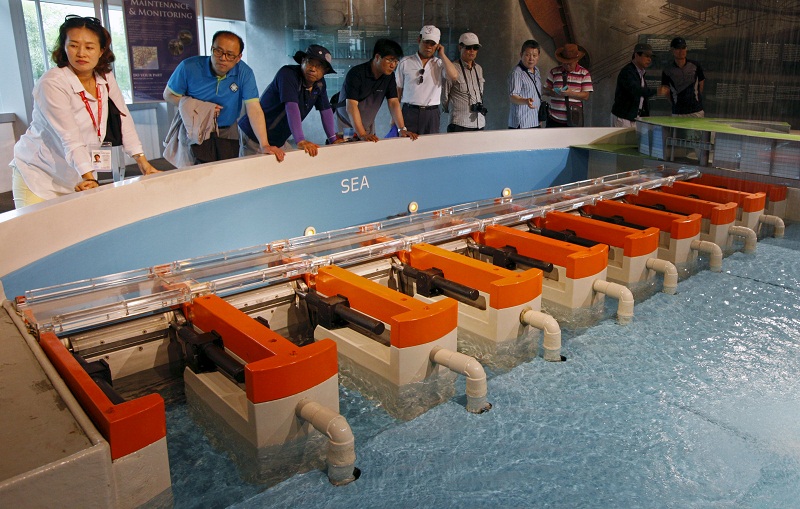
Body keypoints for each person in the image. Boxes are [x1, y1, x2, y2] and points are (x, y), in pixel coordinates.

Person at [10, 15, 159, 209]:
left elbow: (124, 118)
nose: (81, 53)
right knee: (35, 235)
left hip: (80, 172)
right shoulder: (53, 82)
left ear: (101, 50)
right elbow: (69, 137)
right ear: (64, 47)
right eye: (73, 45)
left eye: (89, 47)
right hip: (39, 174)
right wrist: (89, 178)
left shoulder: (105, 77)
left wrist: (143, 162)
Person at [163, 30, 284, 164]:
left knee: (228, 172)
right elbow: (168, 95)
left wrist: (264, 144)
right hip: (196, 128)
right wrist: (201, 107)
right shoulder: (188, 67)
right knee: (197, 174)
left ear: (238, 58)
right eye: (218, 51)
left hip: (228, 129)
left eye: (230, 55)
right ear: (211, 49)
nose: (223, 58)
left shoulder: (245, 72)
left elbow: (254, 108)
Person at [239, 45, 339, 157]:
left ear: (325, 71)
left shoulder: (320, 84)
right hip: (256, 136)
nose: (313, 68)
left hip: (278, 139)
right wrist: (300, 140)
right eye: (310, 62)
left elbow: (325, 110)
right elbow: (291, 107)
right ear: (302, 61)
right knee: (255, 172)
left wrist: (333, 139)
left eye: (319, 66)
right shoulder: (288, 74)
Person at [333, 39, 418, 142]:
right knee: (347, 152)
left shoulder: (389, 77)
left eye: (396, 61)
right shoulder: (356, 73)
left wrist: (401, 129)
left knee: (368, 154)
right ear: (377, 57)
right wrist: (362, 134)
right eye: (390, 60)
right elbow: (351, 106)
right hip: (347, 125)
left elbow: (394, 103)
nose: (393, 65)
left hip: (367, 126)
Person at [396, 25, 458, 134]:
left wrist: (442, 54)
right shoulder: (405, 62)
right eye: (426, 42)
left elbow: (453, 76)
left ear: (437, 45)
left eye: (433, 44)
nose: (429, 47)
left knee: (430, 147)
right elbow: (398, 91)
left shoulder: (439, 63)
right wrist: (395, 118)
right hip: (409, 112)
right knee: (407, 146)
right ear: (419, 40)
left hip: (431, 113)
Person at [443, 32, 486, 132]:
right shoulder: (452, 68)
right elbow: (444, 96)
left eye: (475, 47)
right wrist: (449, 110)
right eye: (468, 47)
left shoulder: (479, 69)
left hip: (479, 122)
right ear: (460, 48)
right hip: (459, 123)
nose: (472, 51)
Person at [545, 43, 593, 127]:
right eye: (564, 62)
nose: (567, 65)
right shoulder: (554, 71)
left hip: (574, 119)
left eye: (570, 63)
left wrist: (570, 93)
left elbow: (586, 96)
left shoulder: (584, 73)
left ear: (577, 60)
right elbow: (545, 90)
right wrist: (553, 92)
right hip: (554, 118)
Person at [611, 43, 656, 127]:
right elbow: (636, 90)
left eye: (650, 57)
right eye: (646, 56)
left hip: (635, 118)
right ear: (636, 55)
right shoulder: (628, 72)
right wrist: (656, 91)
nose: (649, 59)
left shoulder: (640, 73)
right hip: (624, 117)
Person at [659, 37, 705, 117]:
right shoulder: (667, 70)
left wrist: (696, 100)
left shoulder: (695, 65)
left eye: (683, 48)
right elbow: (666, 90)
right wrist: (675, 103)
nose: (681, 51)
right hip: (678, 112)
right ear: (672, 50)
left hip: (696, 111)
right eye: (678, 48)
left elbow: (701, 84)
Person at [508, 40, 544, 129]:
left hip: (535, 121)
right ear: (521, 55)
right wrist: (525, 101)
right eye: (527, 55)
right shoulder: (517, 73)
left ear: (538, 56)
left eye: (534, 55)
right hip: (522, 123)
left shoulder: (537, 71)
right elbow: (513, 97)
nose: (531, 58)